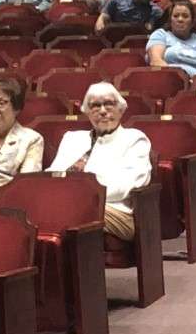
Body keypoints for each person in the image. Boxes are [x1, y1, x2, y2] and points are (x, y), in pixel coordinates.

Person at [46, 83, 153, 241]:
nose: (103, 111)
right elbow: (52, 174)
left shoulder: (134, 139)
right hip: (69, 204)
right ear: (87, 112)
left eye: (109, 104)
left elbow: (126, 185)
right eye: (95, 106)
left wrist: (78, 196)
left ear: (121, 109)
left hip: (116, 212)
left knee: (64, 210)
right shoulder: (72, 138)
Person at [146, 0, 196, 76]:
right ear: (170, 20)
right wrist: (180, 77)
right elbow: (156, 61)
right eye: (176, 16)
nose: (180, 19)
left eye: (185, 16)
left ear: (193, 21)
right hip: (168, 79)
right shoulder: (161, 34)